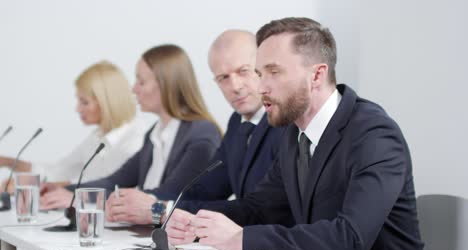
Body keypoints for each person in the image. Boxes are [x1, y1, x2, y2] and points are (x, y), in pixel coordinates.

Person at [166, 17, 428, 250]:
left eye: (274, 72)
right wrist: (196, 222)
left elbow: (351, 238)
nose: (260, 87)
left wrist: (240, 239)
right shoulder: (295, 133)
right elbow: (259, 208)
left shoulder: (374, 134)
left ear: (316, 75)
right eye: (259, 73)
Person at [103, 30, 288, 225]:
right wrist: (150, 203)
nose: (235, 86)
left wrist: (160, 210)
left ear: (261, 68)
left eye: (243, 71)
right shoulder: (237, 123)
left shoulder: (284, 123)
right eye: (223, 78)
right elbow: (206, 190)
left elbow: (256, 209)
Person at [40, 44, 222, 213]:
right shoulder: (155, 133)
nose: (134, 89)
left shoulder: (201, 134)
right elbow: (116, 181)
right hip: (144, 235)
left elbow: (170, 194)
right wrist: (66, 191)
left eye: (141, 82)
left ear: (166, 85)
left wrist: (81, 198)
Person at [0, 61, 145, 194]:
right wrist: (9, 162)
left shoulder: (135, 141)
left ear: (107, 102)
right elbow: (59, 171)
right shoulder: (97, 136)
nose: (77, 109)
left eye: (84, 102)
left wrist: (30, 185)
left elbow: (104, 187)